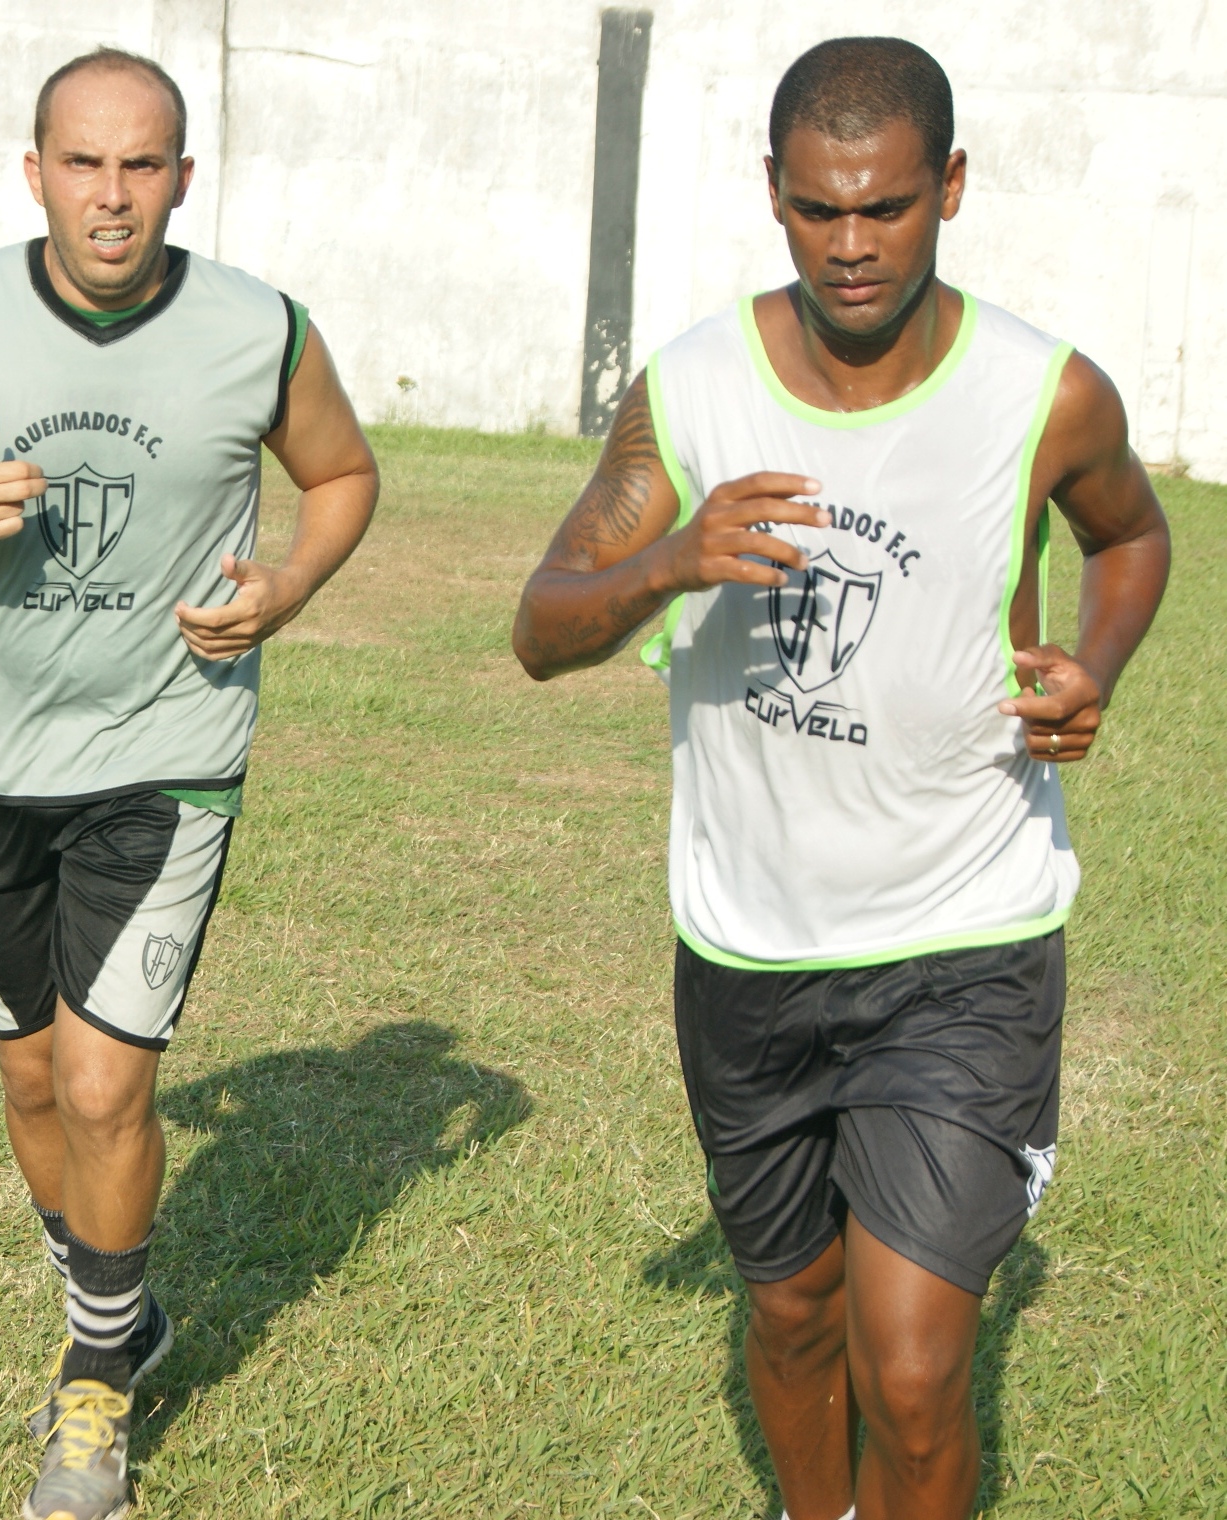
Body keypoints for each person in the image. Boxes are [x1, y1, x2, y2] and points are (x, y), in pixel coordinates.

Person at [514, 36, 1168, 1520]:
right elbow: (542, 627)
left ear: (950, 187)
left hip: (965, 940)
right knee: (795, 1313)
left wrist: (1095, 666)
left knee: (916, 1369)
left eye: (885, 207)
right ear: (773, 194)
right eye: (818, 210)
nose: (852, 245)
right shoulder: (690, 392)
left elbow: (1132, 534)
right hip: (749, 949)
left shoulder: (1045, 393)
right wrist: (673, 560)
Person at [0, 46, 378, 1520]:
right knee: (28, 1078)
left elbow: (344, 476)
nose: (113, 195)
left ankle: (92, 1406)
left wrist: (286, 587)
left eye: (142, 165)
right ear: (37, 174)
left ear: (184, 178)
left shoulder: (258, 328)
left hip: (169, 758)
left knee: (99, 1080)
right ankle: (122, 1316)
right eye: (84, 163)